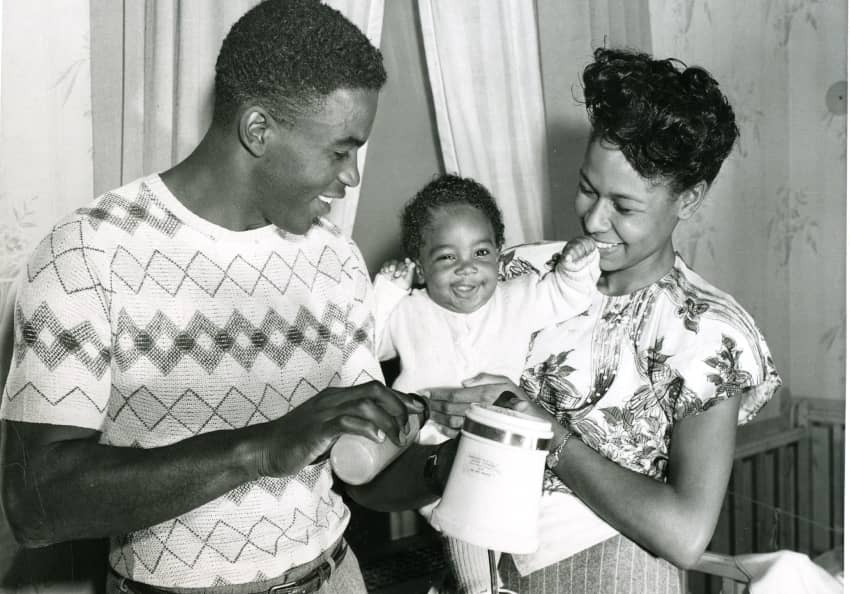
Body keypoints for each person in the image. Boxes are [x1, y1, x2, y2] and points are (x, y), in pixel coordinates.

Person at [0, 2, 423, 593]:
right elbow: (35, 503)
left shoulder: (335, 257)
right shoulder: (89, 253)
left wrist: (452, 462)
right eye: (339, 150)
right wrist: (262, 447)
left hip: (335, 576)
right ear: (258, 130)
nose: (351, 177)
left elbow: (361, 471)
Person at [352, 47, 782, 593]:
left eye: (624, 207)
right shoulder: (514, 272)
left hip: (611, 571)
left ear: (689, 199)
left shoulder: (707, 332)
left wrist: (546, 432)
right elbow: (378, 479)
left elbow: (684, 534)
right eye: (586, 188)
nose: (594, 219)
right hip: (479, 569)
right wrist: (449, 447)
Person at [370, 173, 600, 594]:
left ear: (498, 256)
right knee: (461, 515)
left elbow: (566, 295)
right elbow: (372, 343)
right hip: (426, 451)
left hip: (499, 442)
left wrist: (576, 265)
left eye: (481, 252)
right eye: (445, 258)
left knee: (490, 517)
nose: (467, 269)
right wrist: (387, 289)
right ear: (420, 269)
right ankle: (479, 588)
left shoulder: (517, 297)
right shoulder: (410, 310)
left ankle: (481, 585)